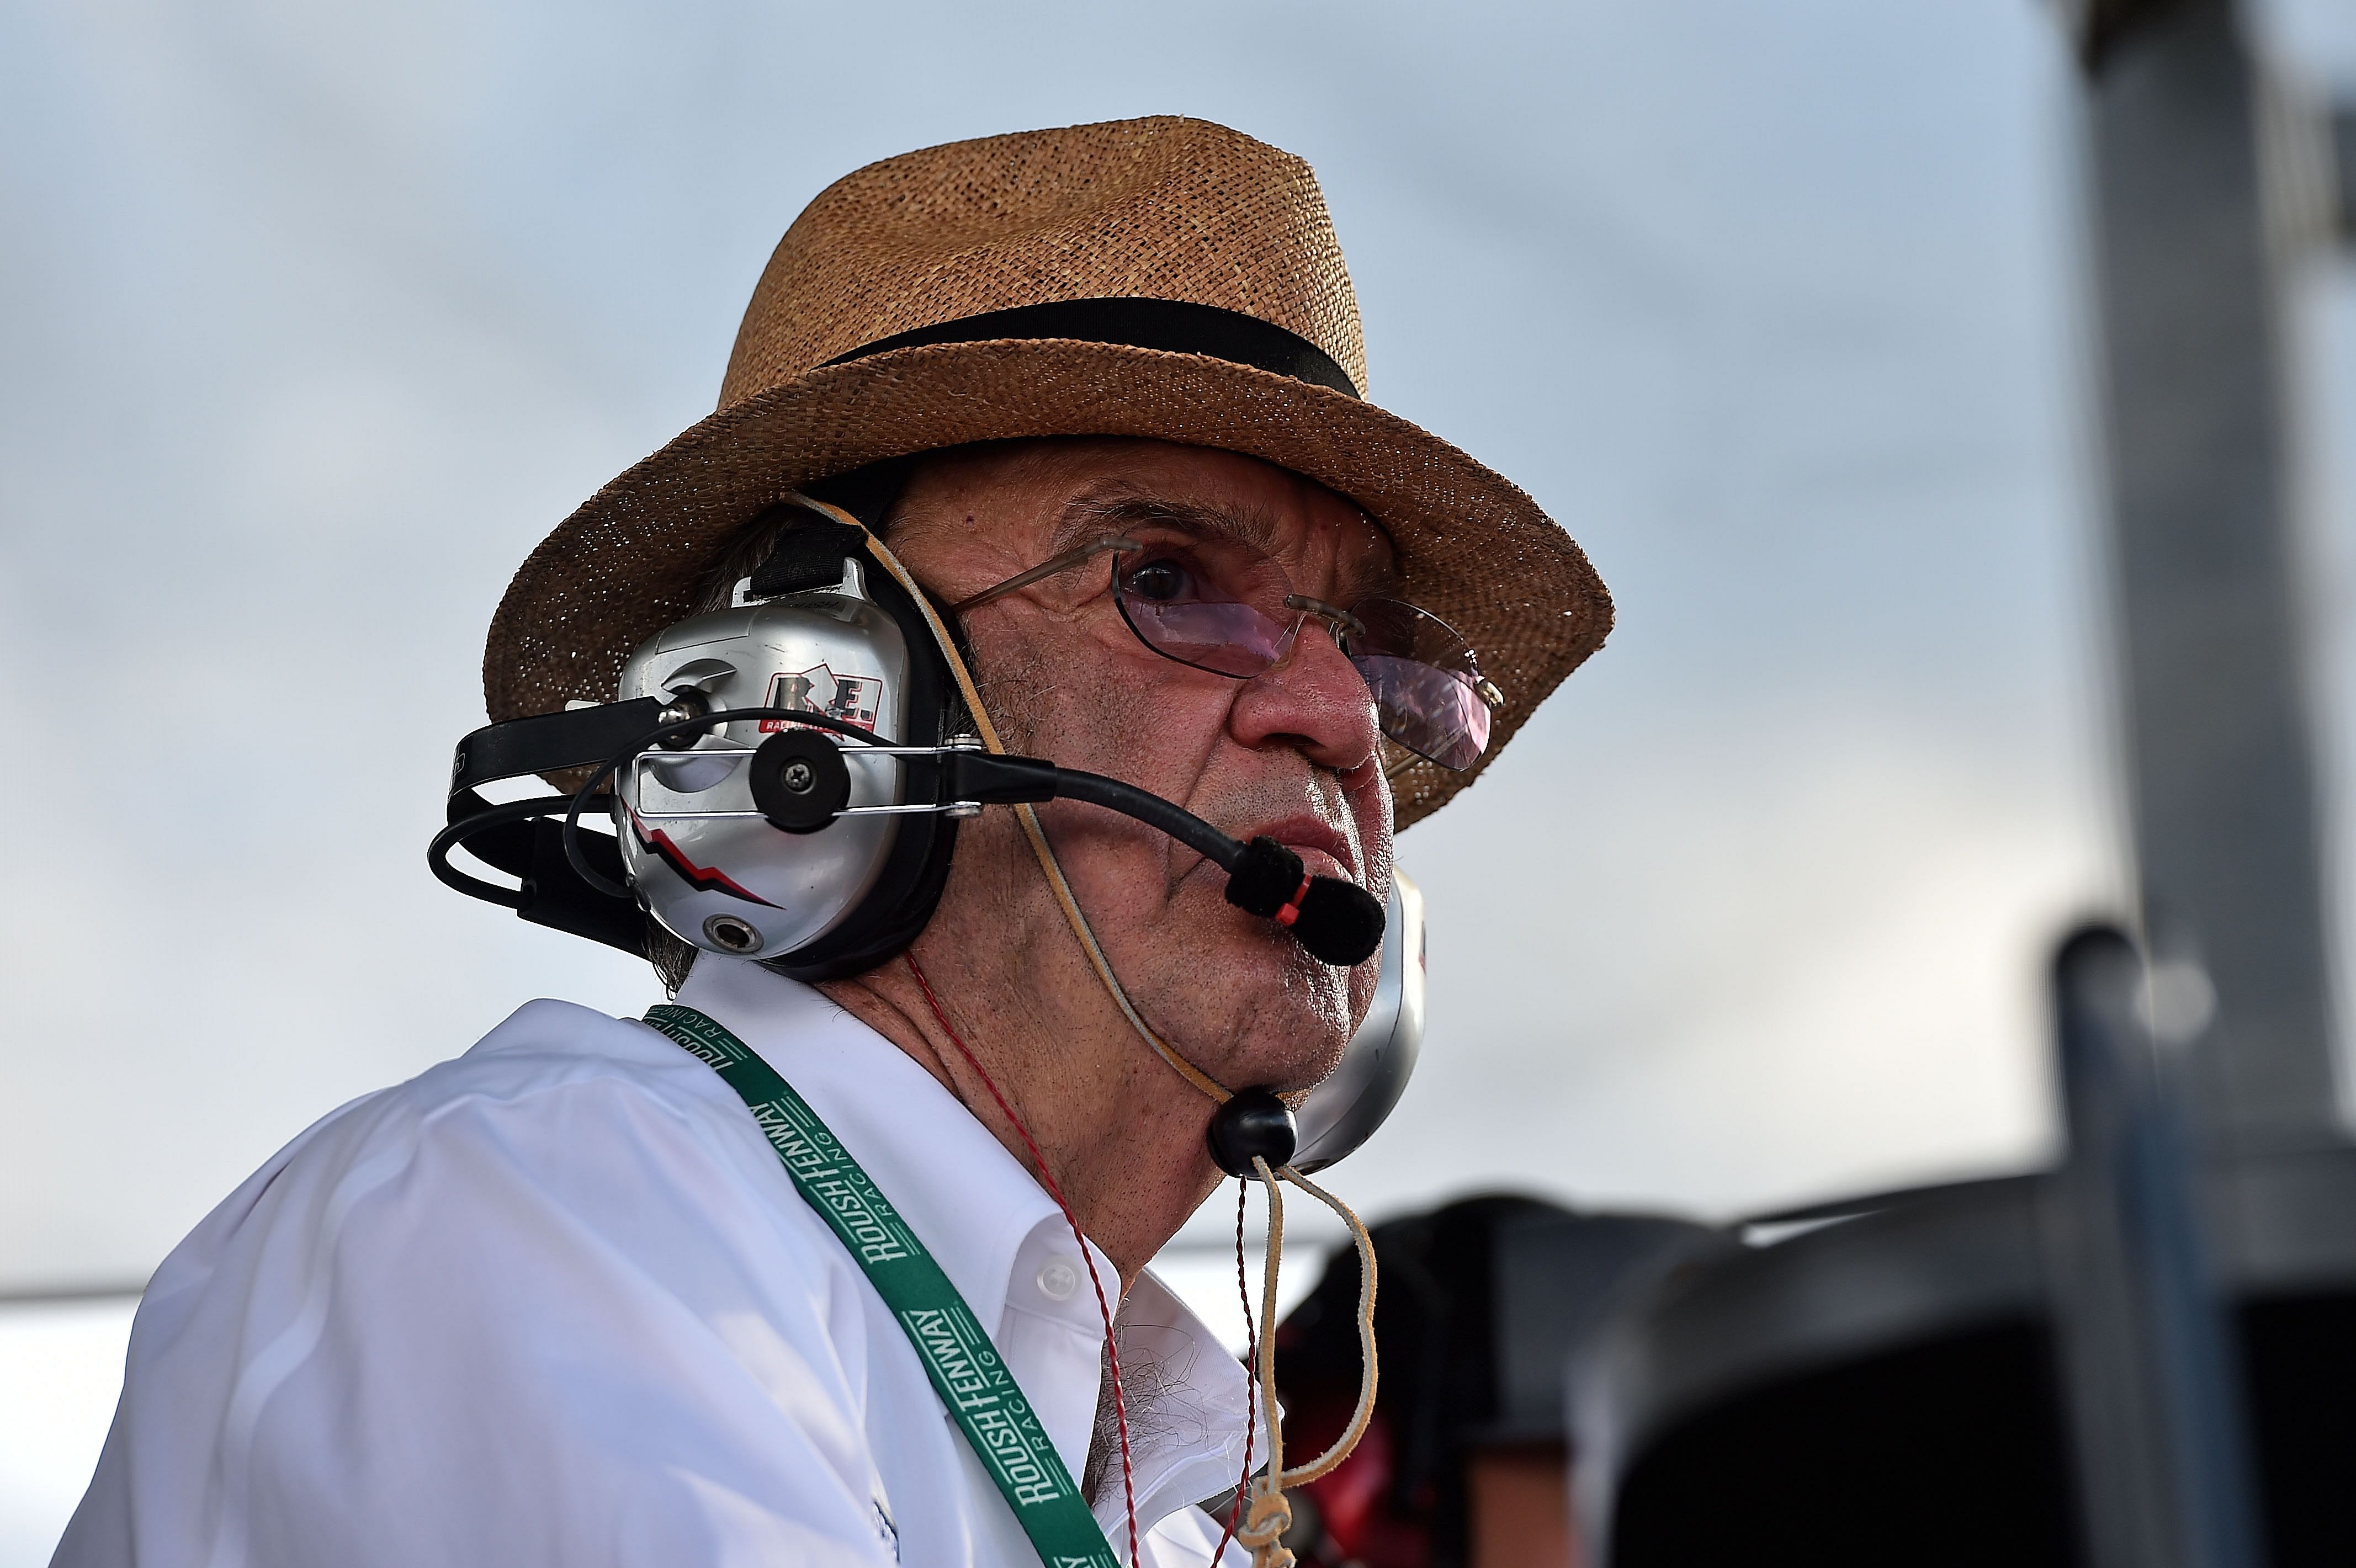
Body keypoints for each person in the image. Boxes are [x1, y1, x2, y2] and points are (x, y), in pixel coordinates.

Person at [55, 116, 1610, 1568]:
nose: (1341, 713)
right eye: (1171, 578)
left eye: (1379, 651)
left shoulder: (1169, 1509)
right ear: (814, 717)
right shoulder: (546, 1212)